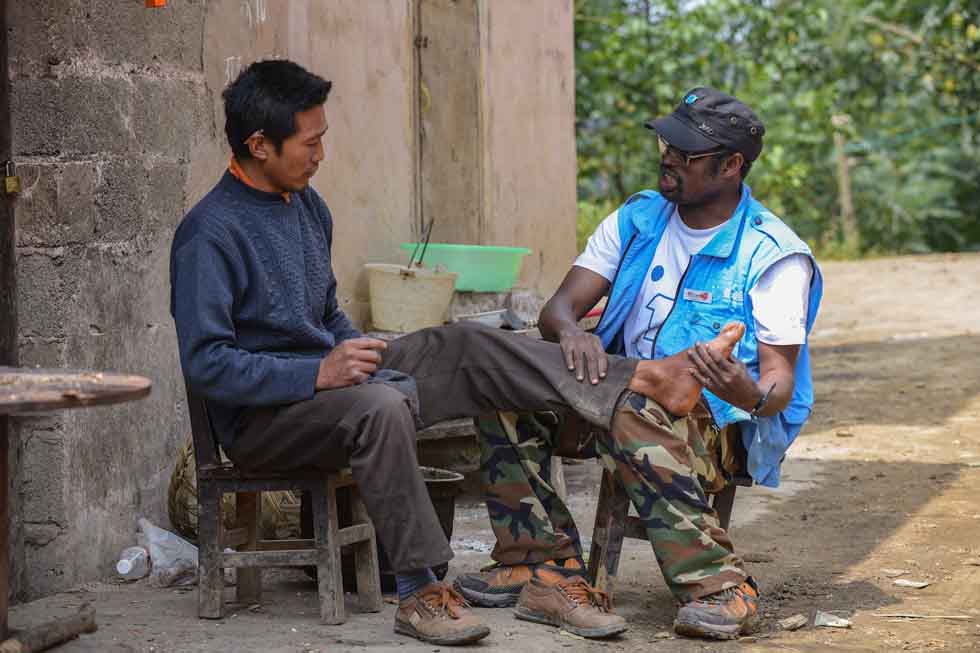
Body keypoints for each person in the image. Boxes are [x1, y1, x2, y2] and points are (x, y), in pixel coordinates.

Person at [169, 62, 747, 645]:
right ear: (259, 145)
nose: (321, 154)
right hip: (263, 421)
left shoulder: (308, 207)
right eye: (310, 142)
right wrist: (319, 371)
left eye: (323, 139)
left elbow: (323, 318)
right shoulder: (209, 234)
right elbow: (207, 364)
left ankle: (644, 380)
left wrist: (353, 346)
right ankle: (421, 591)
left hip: (331, 385)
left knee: (466, 344)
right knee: (378, 407)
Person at [454, 87, 823, 641]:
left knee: (634, 410)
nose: (667, 156)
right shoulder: (637, 217)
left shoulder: (772, 254)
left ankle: (721, 587)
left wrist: (743, 390)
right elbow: (560, 307)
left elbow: (778, 387)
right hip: (609, 394)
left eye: (686, 152)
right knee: (505, 389)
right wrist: (573, 333)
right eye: (666, 141)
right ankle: (538, 561)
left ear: (732, 166)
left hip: (713, 426)